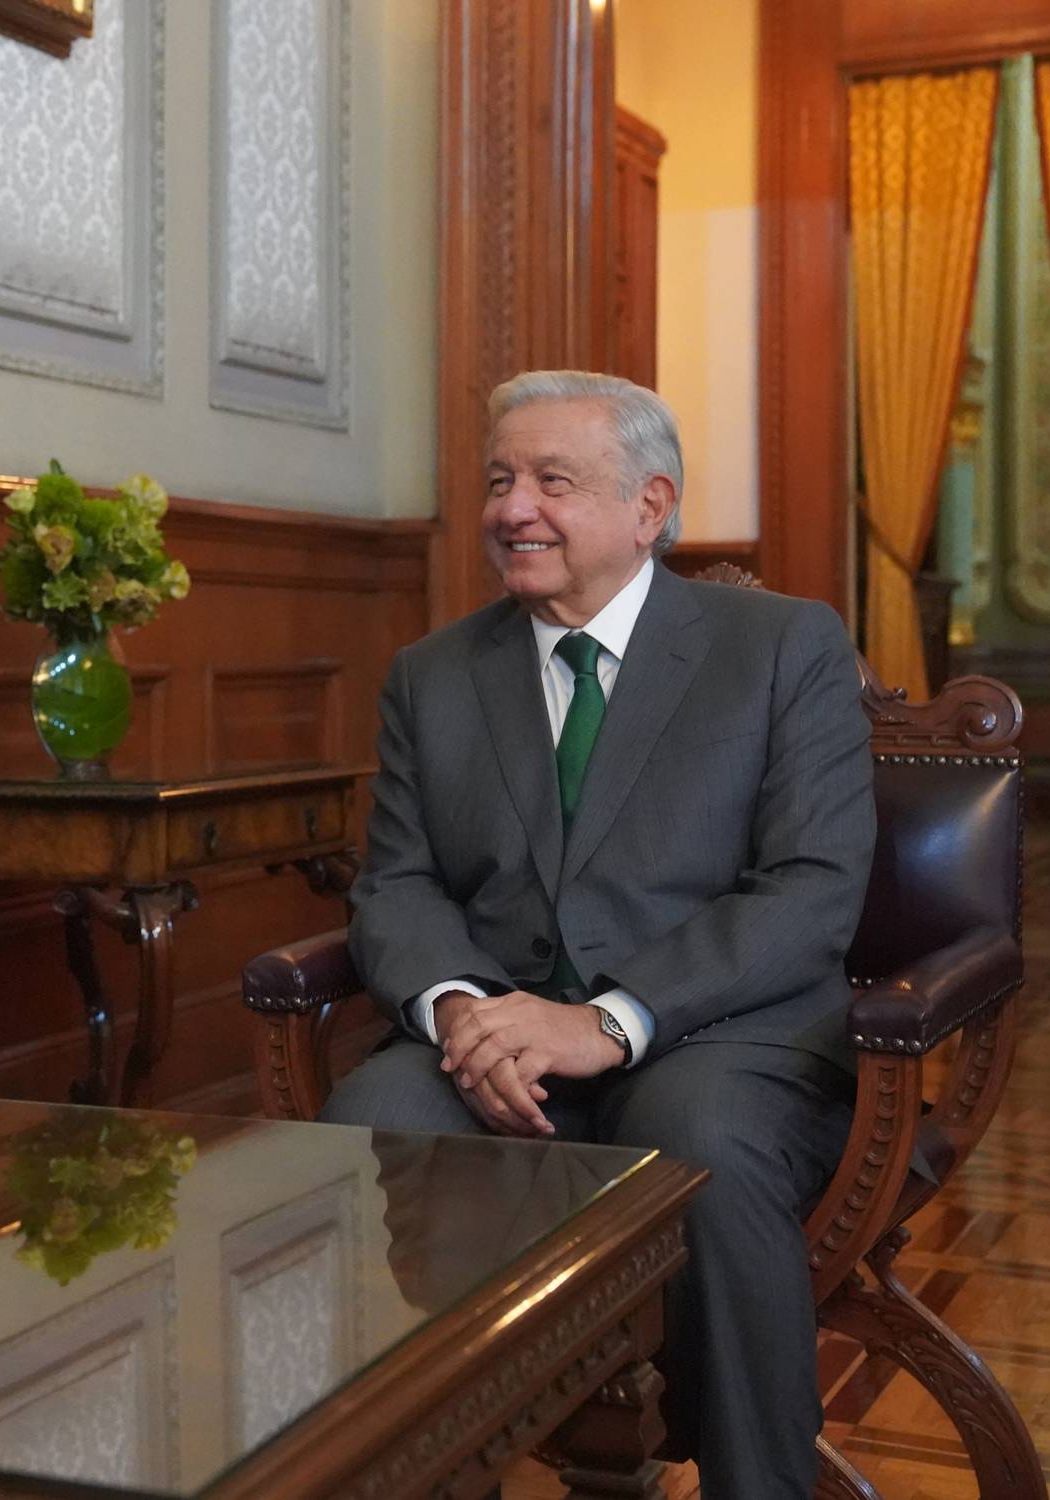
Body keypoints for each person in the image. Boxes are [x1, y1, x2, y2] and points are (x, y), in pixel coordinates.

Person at [321, 370, 873, 1499]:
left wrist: (608, 1021)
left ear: (649, 506)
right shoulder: (434, 676)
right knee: (370, 1113)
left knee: (698, 1142)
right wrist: (461, 1012)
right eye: (498, 480)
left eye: (551, 481)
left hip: (721, 1038)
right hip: (500, 1038)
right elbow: (398, 885)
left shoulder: (779, 648)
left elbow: (812, 887)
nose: (513, 508)